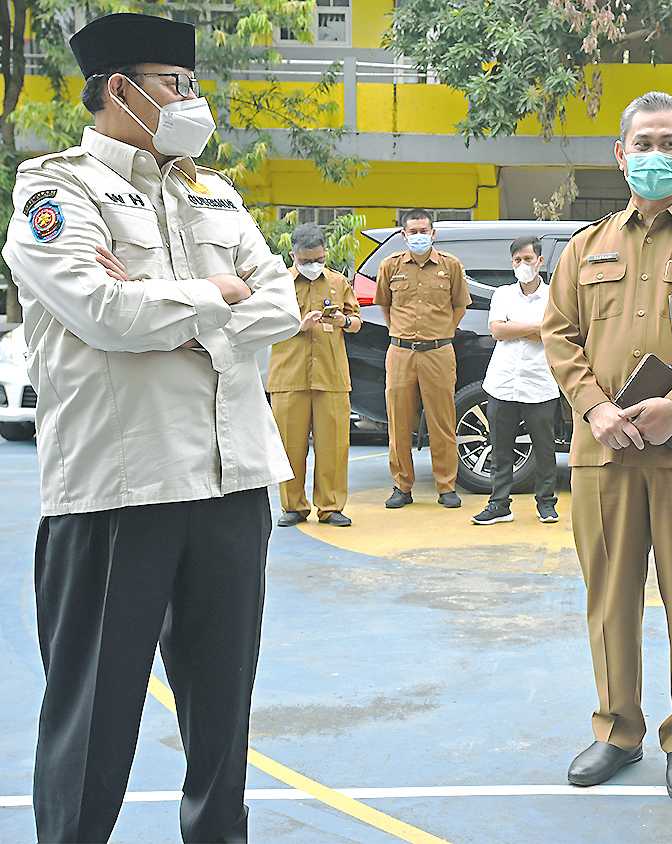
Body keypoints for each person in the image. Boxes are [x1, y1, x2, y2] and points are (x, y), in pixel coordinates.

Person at [2, 12, 301, 841]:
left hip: (232, 479)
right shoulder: (56, 191)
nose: (192, 103)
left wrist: (169, 306)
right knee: (93, 716)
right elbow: (101, 312)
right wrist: (216, 295)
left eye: (194, 85)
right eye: (177, 86)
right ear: (121, 91)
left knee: (222, 714)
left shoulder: (215, 192)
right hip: (119, 487)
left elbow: (277, 302)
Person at [542, 91, 672, 805]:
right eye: (644, 143)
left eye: (670, 143)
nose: (656, 156)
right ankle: (617, 730)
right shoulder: (585, 247)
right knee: (610, 598)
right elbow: (559, 336)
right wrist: (597, 408)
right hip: (604, 450)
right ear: (621, 154)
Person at [374, 208, 471, 510]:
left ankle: (446, 486)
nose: (418, 236)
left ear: (433, 233)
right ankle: (402, 486)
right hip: (401, 352)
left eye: (423, 231)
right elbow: (385, 308)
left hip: (439, 352)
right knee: (399, 422)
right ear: (403, 235)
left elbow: (459, 306)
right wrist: (401, 335)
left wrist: (442, 333)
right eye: (412, 232)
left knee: (442, 421)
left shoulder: (450, 266)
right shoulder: (389, 266)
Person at [268, 222, 362, 528]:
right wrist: (298, 325)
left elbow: (357, 320)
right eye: (306, 260)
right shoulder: (278, 282)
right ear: (293, 254)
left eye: (318, 259)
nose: (313, 265)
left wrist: (343, 321)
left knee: (334, 444)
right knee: (289, 444)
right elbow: (263, 323)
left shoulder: (337, 281)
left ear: (325, 253)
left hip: (331, 374)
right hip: (289, 375)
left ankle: (330, 506)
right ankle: (293, 506)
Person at [472, 235, 561, 526]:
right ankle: (499, 504)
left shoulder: (554, 296)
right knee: (500, 446)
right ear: (512, 263)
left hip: (540, 382)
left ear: (540, 261)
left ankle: (546, 503)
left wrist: (517, 328)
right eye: (517, 260)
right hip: (503, 381)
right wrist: (534, 328)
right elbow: (497, 330)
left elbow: (552, 333)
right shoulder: (503, 295)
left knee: (545, 448)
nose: (523, 264)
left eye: (528, 259)